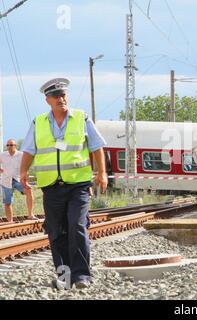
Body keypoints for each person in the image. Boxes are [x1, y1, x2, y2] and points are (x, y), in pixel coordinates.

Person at [20, 78, 108, 290]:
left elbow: (96, 146)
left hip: (78, 185)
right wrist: (23, 172)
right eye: (56, 96)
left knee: (77, 225)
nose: (61, 99)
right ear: (47, 100)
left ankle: (81, 276)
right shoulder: (38, 122)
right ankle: (64, 276)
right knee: (56, 231)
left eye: (63, 95)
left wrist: (102, 173)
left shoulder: (81, 118)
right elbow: (29, 150)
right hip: (51, 186)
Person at [0, 139, 36, 222]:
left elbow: (26, 167)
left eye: (11, 145)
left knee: (29, 190)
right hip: (6, 181)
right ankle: (10, 222)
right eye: (8, 145)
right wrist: (1, 170)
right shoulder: (2, 155)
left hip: (18, 180)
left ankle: (30, 214)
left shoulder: (21, 155)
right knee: (7, 203)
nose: (9, 147)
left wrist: (25, 179)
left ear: (15, 146)